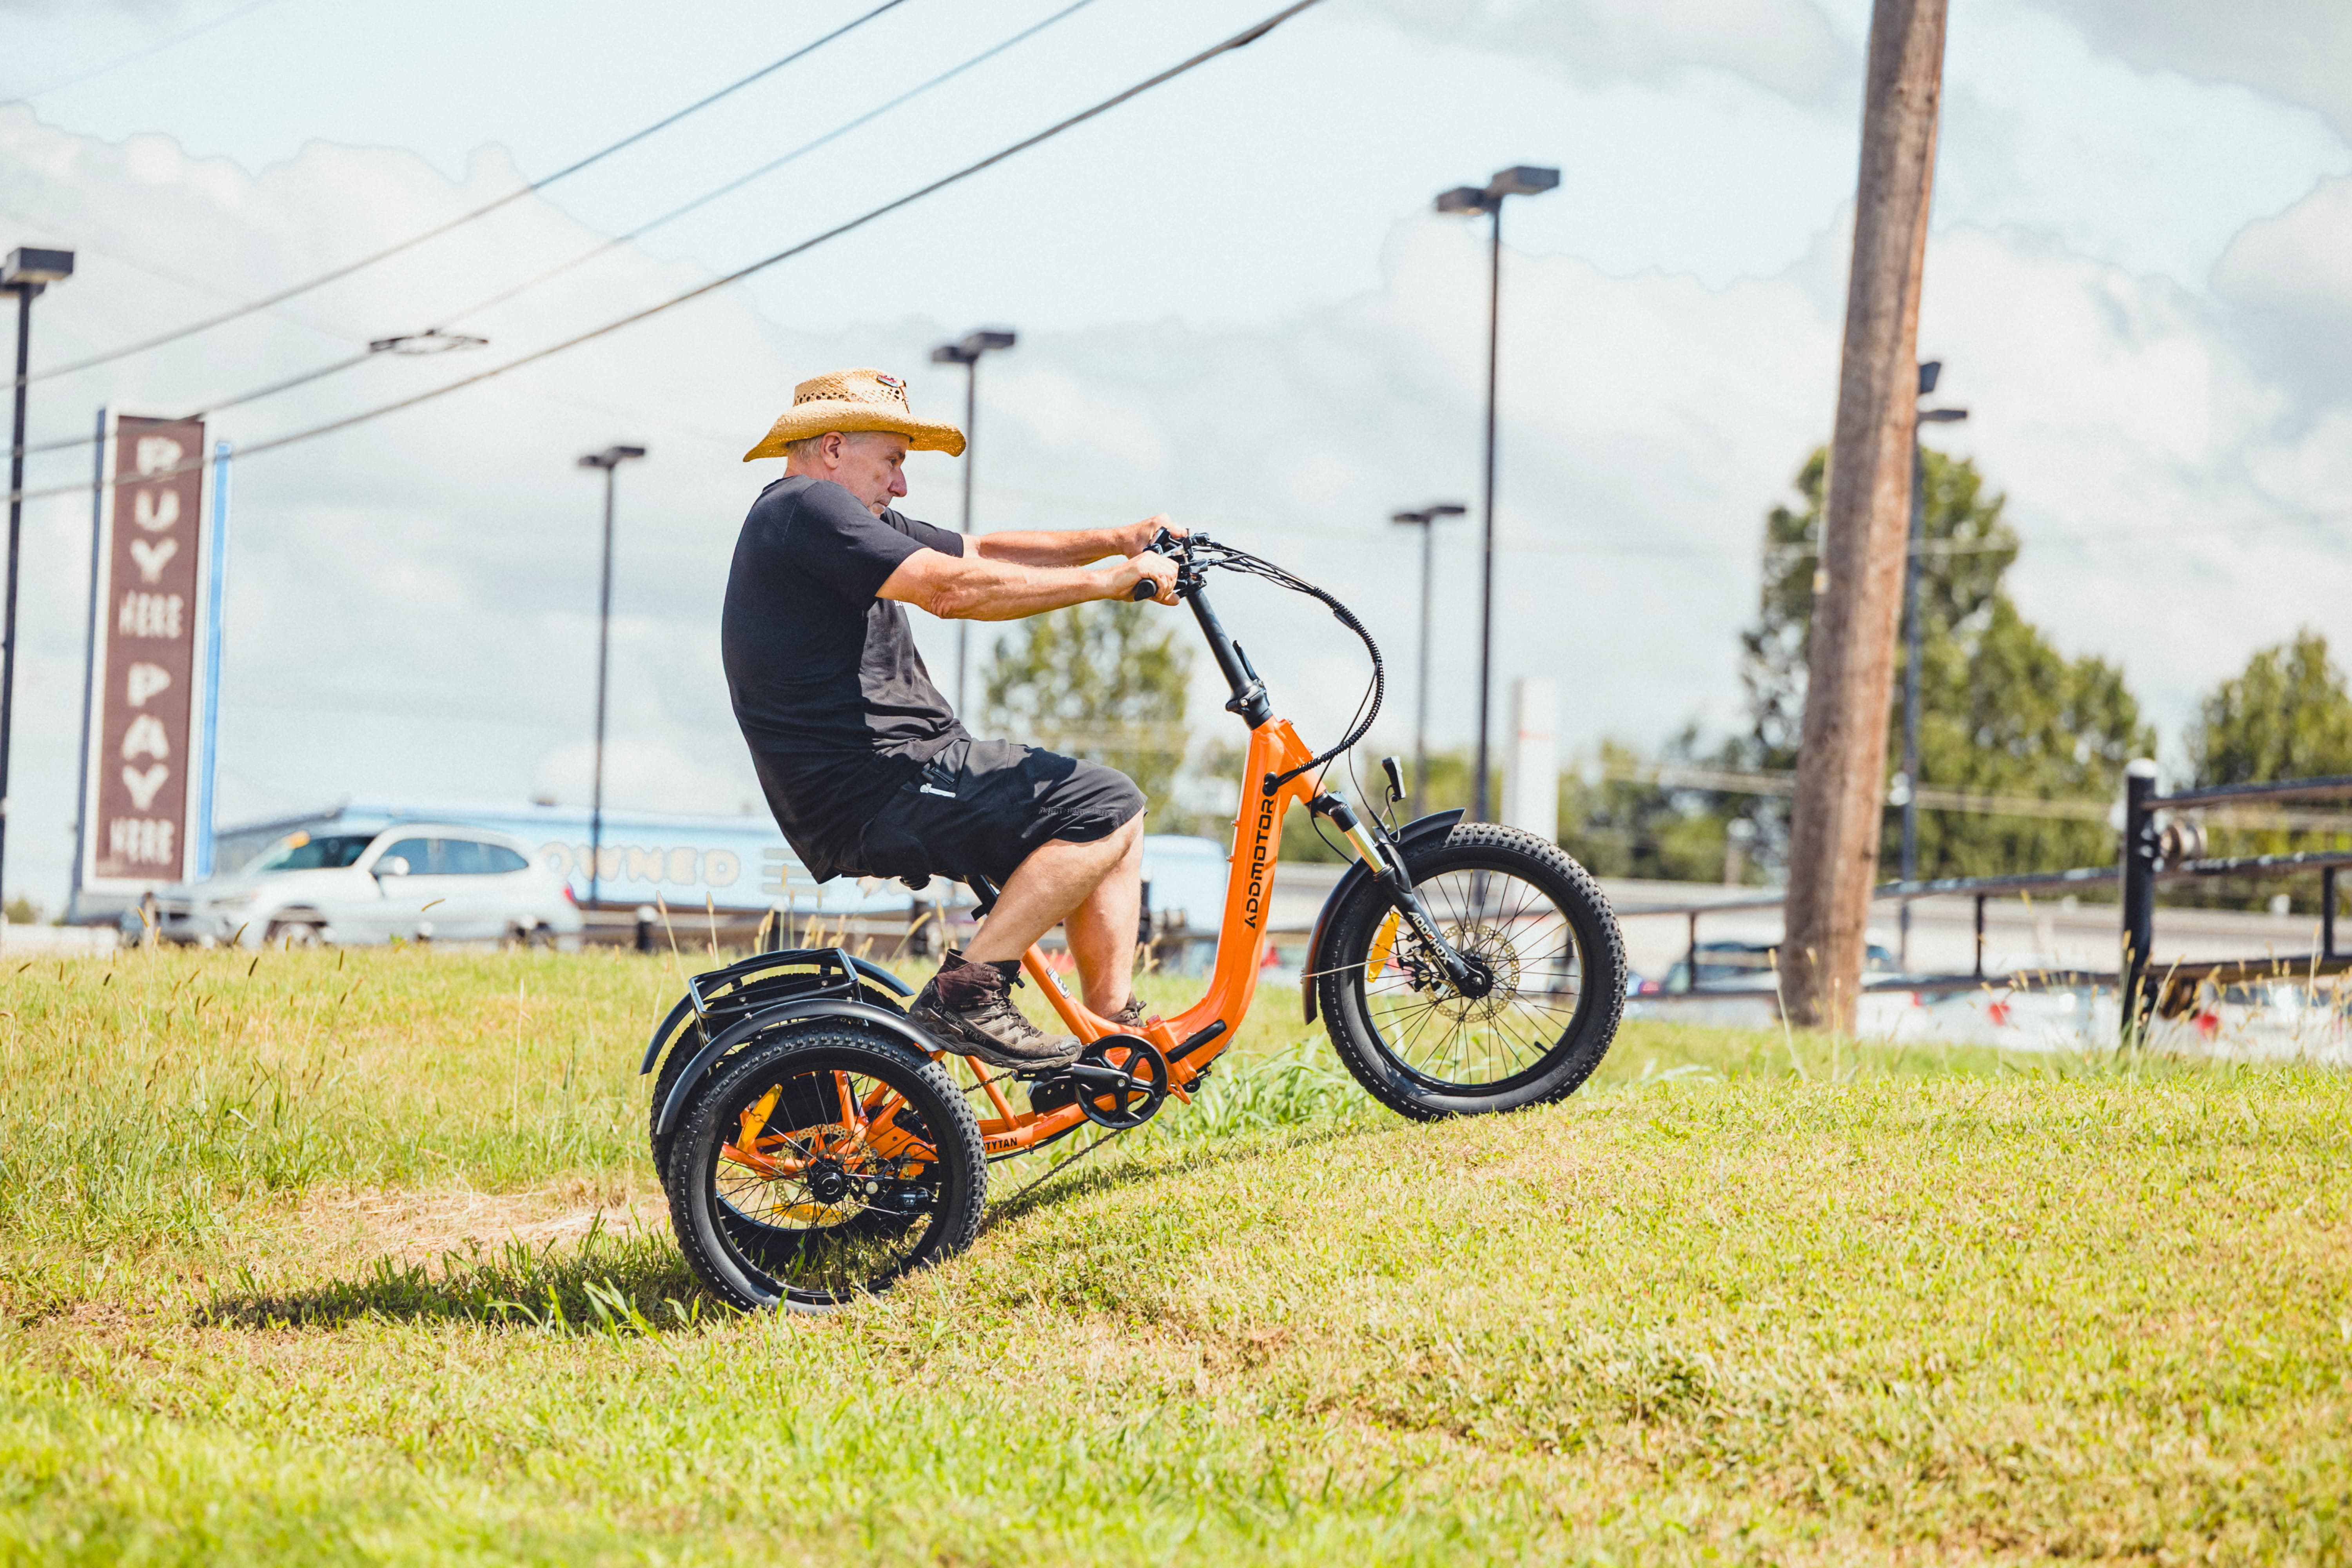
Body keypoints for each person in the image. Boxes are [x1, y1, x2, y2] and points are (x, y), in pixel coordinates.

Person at [722, 367, 1181, 1072]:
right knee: (1105, 803)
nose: (901, 485)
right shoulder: (804, 507)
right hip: (876, 783)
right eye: (894, 461)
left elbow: (980, 551)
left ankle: (1107, 1040)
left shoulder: (837, 519)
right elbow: (949, 588)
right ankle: (968, 993)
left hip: (898, 772)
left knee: (1118, 825)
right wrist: (1104, 583)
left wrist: (1117, 539)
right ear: (835, 447)